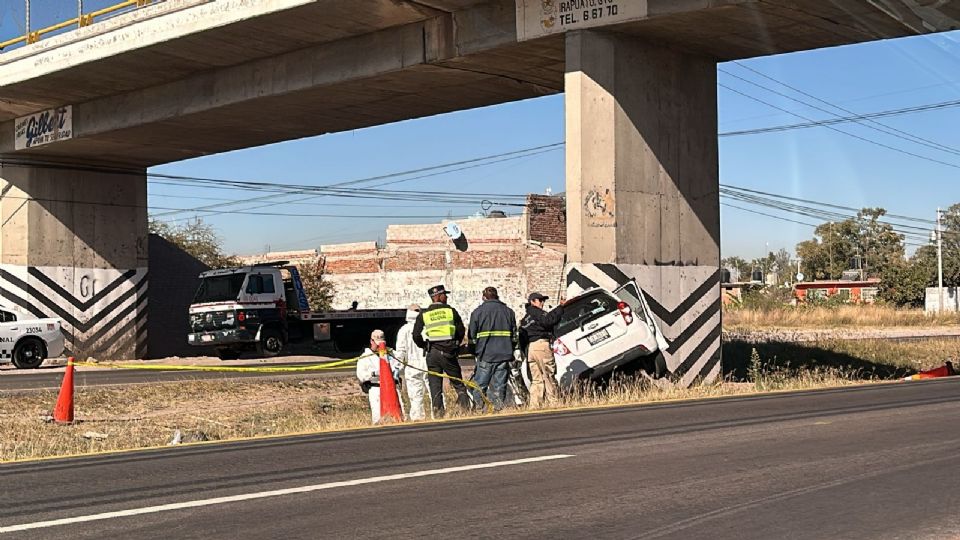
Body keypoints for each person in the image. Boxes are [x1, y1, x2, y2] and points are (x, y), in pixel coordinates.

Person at [413, 284, 470, 416]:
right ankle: (465, 410)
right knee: (458, 383)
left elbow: (416, 335)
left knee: (435, 386)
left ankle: (438, 413)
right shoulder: (451, 311)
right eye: (445, 294)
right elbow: (461, 330)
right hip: (448, 352)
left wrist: (424, 346)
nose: (446, 297)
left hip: (432, 352)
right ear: (438, 296)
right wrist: (456, 344)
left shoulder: (424, 314)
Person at [467, 286, 517, 410]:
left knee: (480, 385)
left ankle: (478, 408)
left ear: (484, 297)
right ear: (497, 296)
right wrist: (510, 350)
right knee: (500, 385)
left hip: (485, 355)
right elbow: (514, 336)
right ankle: (498, 408)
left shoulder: (477, 312)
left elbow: (471, 336)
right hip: (504, 354)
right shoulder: (509, 312)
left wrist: (474, 351)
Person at [519, 292, 563, 407]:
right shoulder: (536, 312)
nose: (542, 303)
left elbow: (521, 337)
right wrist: (560, 307)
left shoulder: (525, 319)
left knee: (537, 379)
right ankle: (555, 403)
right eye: (540, 300)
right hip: (541, 346)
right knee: (548, 375)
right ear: (532, 302)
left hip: (531, 349)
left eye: (543, 300)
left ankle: (534, 406)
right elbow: (549, 320)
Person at [356, 329, 402, 424]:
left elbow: (399, 364)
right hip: (376, 389)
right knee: (378, 419)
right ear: (371, 341)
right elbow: (361, 376)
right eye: (377, 344)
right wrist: (376, 373)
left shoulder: (391, 354)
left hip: (392, 388)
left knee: (398, 417)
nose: (379, 347)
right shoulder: (365, 358)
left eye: (381, 344)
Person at [395, 303, 432, 420]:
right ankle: (438, 414)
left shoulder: (403, 330)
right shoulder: (426, 327)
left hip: (411, 366)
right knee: (435, 393)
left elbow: (401, 351)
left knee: (415, 396)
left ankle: (417, 419)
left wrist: (397, 369)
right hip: (428, 364)